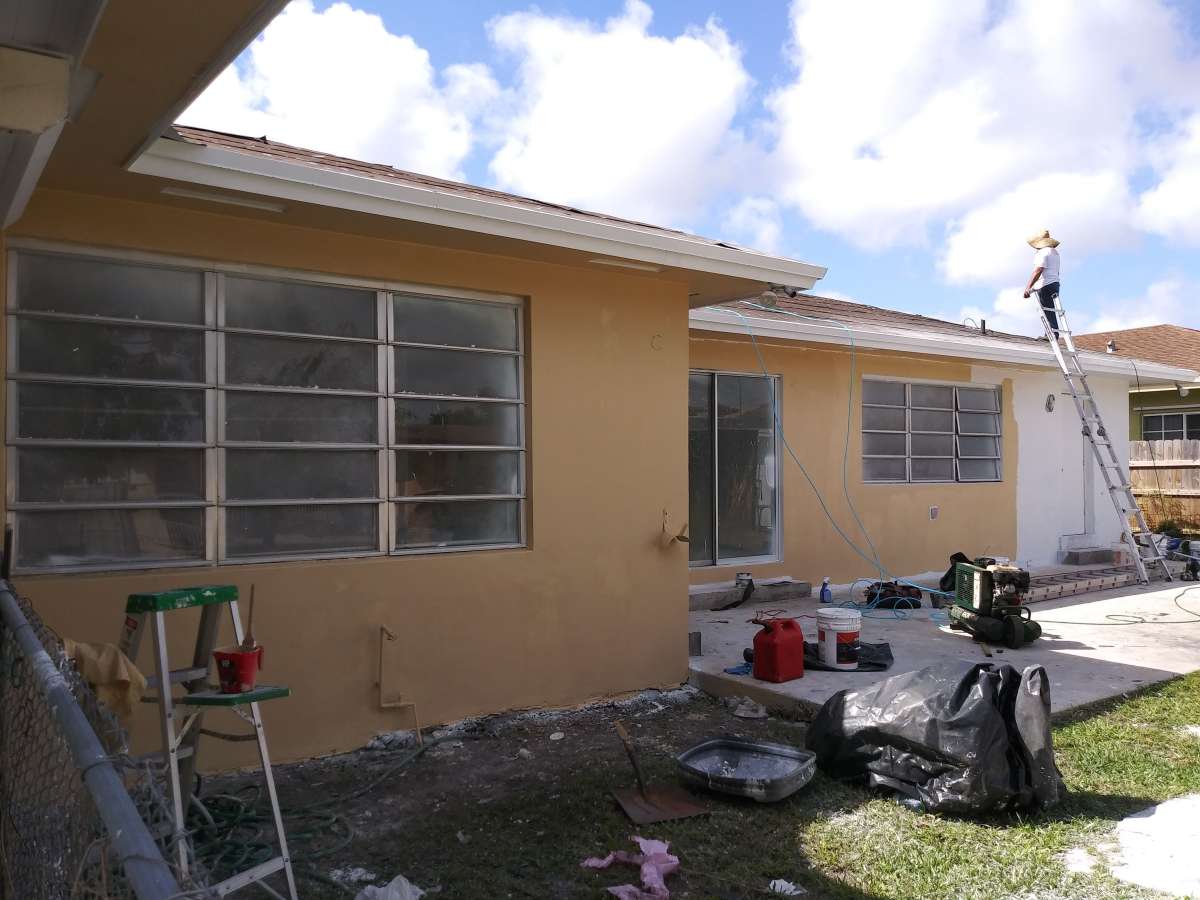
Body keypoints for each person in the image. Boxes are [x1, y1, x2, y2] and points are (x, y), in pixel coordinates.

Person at [1023, 229, 1061, 338]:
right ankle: (1051, 333)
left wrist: (1028, 288)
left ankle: (1052, 334)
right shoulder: (1055, 252)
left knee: (1046, 310)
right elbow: (1055, 271)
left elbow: (1038, 270)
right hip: (1055, 284)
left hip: (1045, 285)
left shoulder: (1042, 252)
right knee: (1051, 309)